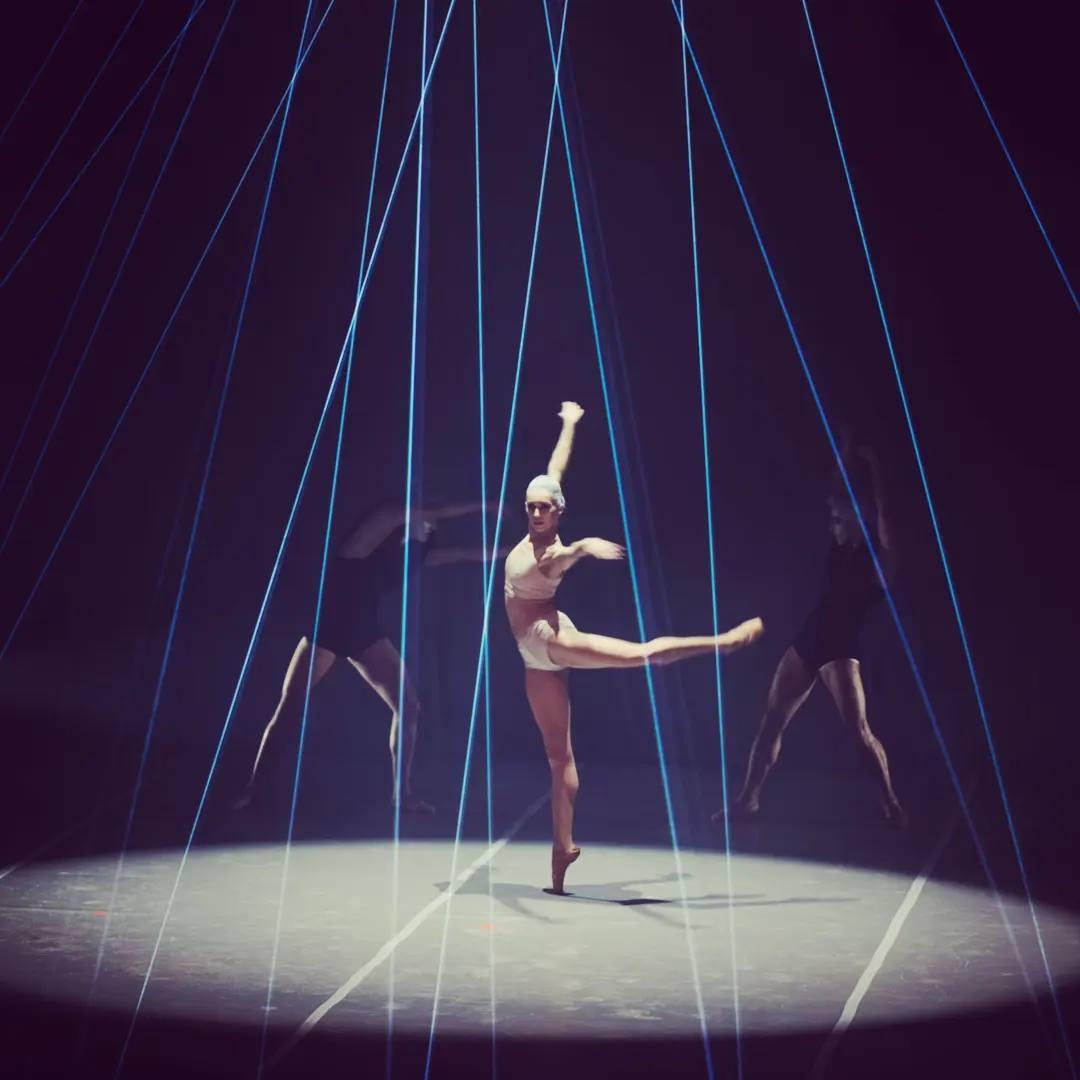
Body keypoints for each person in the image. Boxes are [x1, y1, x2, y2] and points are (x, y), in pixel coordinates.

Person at [504, 402, 764, 893]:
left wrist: (583, 548)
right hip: (531, 655)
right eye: (530, 507)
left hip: (550, 642)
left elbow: (565, 557)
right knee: (559, 758)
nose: (535, 513)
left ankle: (722, 643)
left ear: (559, 513)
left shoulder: (552, 555)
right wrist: (569, 424)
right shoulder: (544, 514)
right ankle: (561, 853)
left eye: (543, 508)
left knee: (640, 655)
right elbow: (556, 467)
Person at [236, 498, 497, 814]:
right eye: (423, 521)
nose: (428, 526)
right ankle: (255, 790)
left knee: (409, 707)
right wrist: (486, 505)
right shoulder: (372, 530)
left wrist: (525, 550)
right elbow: (432, 511)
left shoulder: (406, 557)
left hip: (364, 635)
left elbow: (466, 553)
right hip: (327, 630)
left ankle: (402, 795)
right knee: (291, 705)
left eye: (429, 528)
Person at [714, 435, 907, 827]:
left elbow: (884, 511)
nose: (832, 519)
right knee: (771, 722)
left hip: (841, 650)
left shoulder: (880, 561)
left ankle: (889, 801)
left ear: (858, 515)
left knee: (859, 733)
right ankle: (747, 800)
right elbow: (837, 490)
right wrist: (847, 452)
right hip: (808, 641)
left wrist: (875, 467)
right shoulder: (840, 544)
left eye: (839, 515)